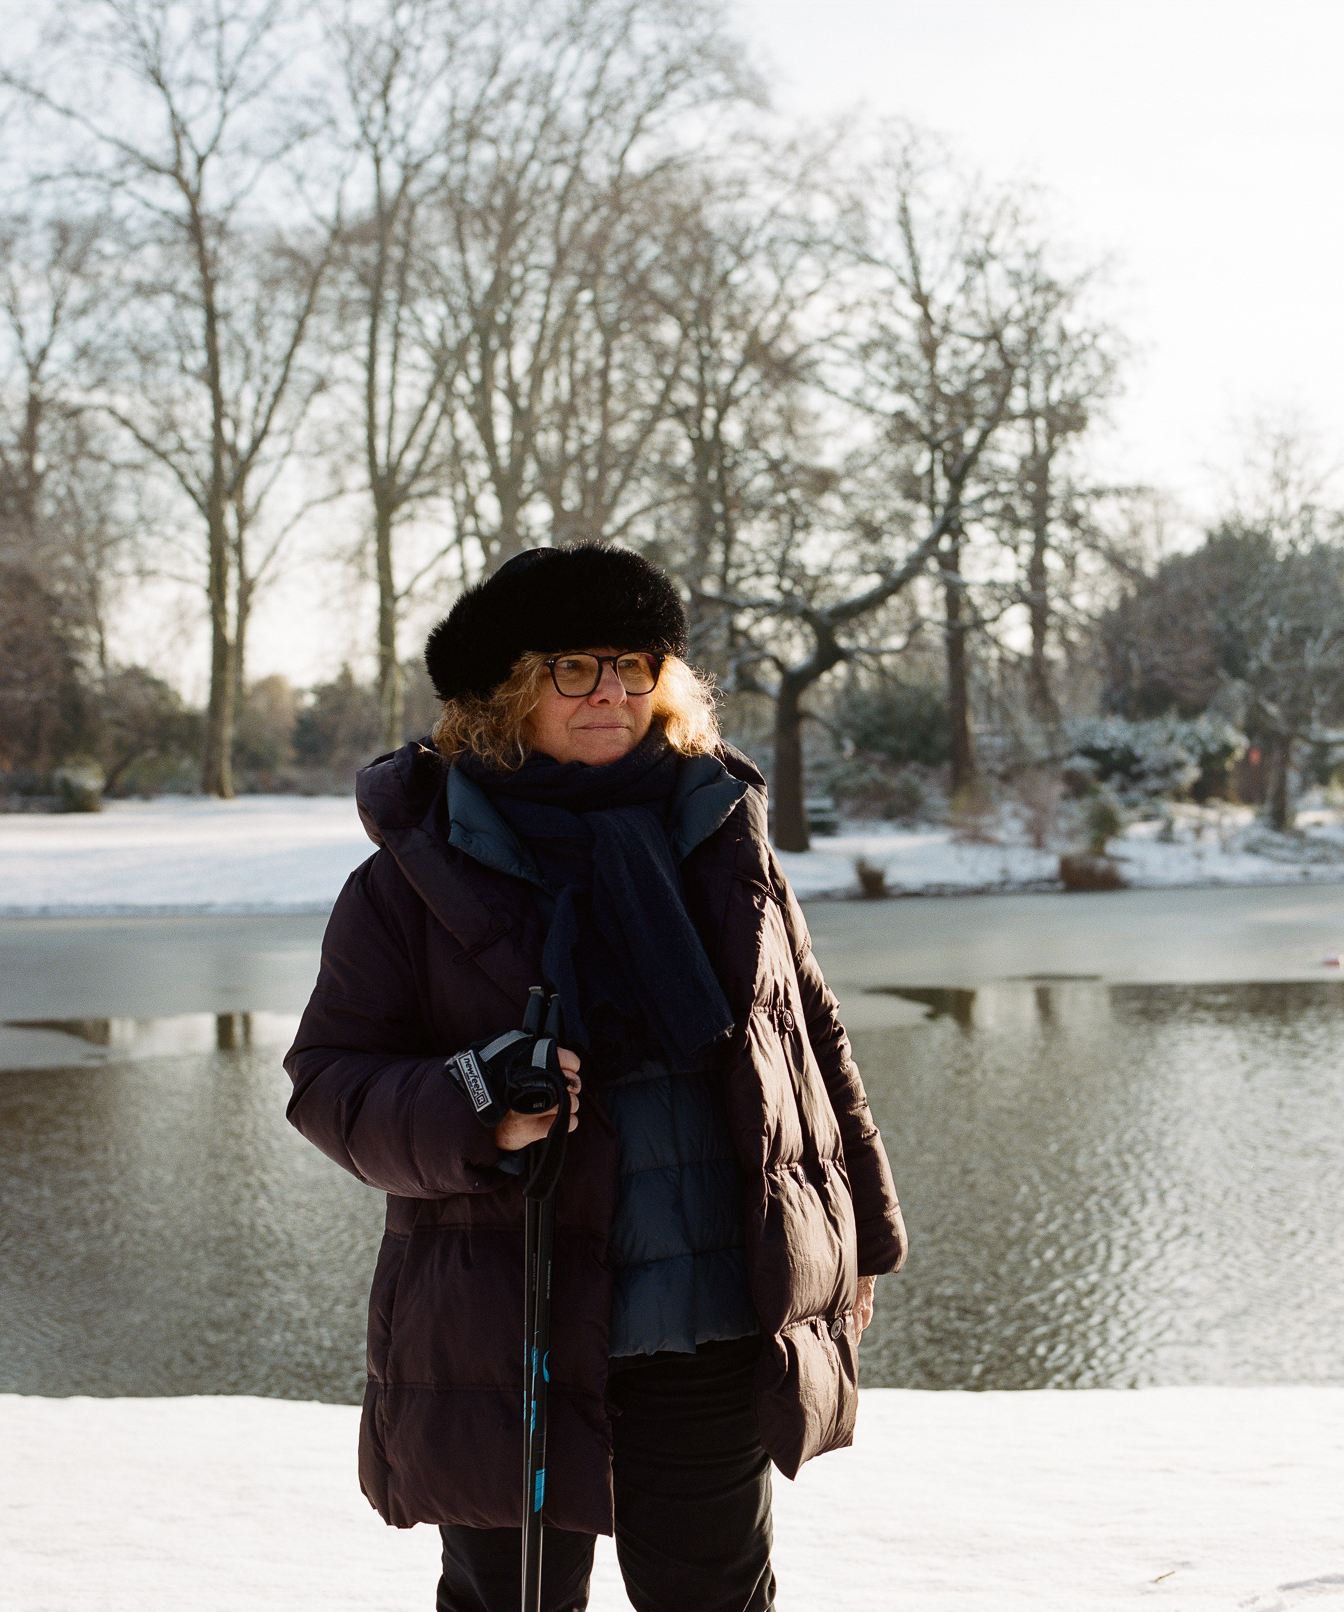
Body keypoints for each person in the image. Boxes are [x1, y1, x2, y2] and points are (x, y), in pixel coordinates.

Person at [284, 541, 907, 1612]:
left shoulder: (718, 837)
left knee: (714, 1596)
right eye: (574, 667)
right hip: (504, 1316)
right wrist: (479, 1099)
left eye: (631, 663)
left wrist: (865, 1234)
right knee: (511, 1602)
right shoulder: (410, 879)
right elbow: (328, 1082)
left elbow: (806, 1034)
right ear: (506, 692)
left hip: (706, 1311)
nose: (610, 690)